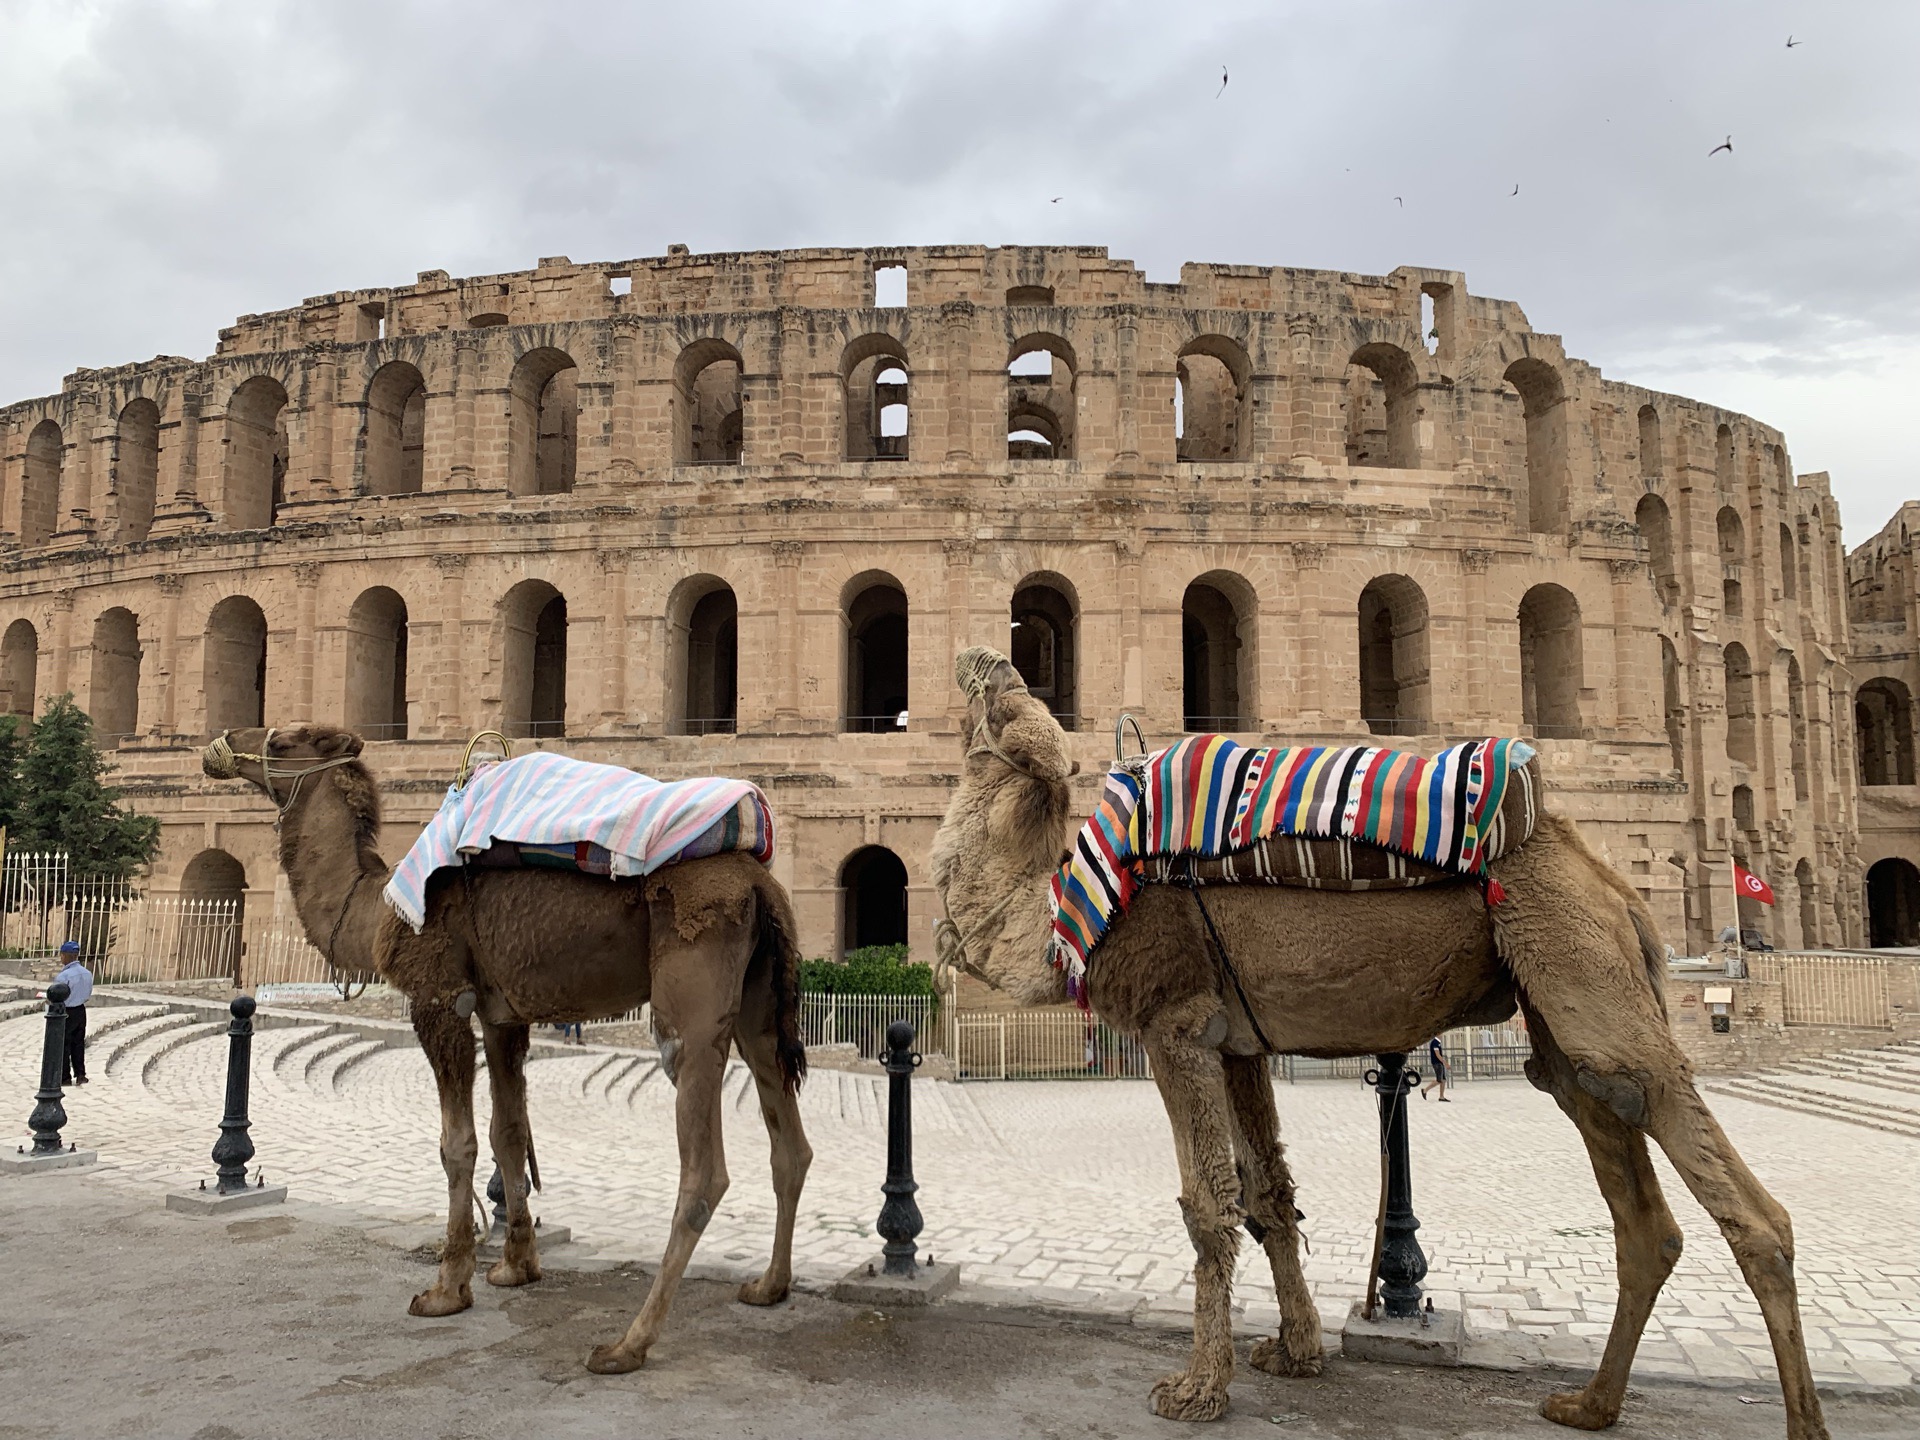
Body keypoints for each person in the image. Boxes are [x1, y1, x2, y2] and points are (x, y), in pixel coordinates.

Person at [53, 941, 93, 1086]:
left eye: (62, 955)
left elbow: (57, 995)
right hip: (81, 1010)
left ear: (66, 956)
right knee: (78, 1043)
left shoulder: (63, 977)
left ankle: (65, 1077)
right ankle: (81, 1074)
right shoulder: (87, 973)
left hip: (67, 1011)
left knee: (64, 1044)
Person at [1420, 1034, 1450, 1102]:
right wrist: (1445, 1063)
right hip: (1437, 1063)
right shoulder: (1435, 1042)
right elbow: (1437, 1054)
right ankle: (1425, 1090)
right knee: (1439, 1080)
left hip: (1439, 1063)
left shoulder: (1437, 1042)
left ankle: (1441, 1096)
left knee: (1443, 1080)